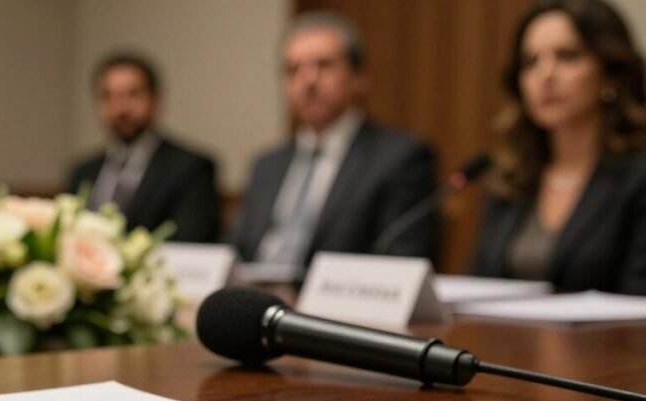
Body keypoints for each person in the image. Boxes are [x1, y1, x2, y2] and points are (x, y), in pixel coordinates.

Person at [231, 12, 438, 273]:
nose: (308, 81)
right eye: (293, 70)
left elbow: (402, 261)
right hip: (254, 303)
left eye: (324, 65)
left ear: (360, 77)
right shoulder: (266, 165)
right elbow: (234, 253)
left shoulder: (401, 158)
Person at [471, 0, 646, 294]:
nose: (546, 75)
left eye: (567, 56)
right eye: (531, 62)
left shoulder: (637, 178)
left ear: (609, 73)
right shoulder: (511, 177)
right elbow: (478, 284)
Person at [66, 53, 220, 243]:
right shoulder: (83, 172)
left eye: (133, 94)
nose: (121, 108)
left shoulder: (191, 168)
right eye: (109, 96)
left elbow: (190, 241)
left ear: (155, 100)